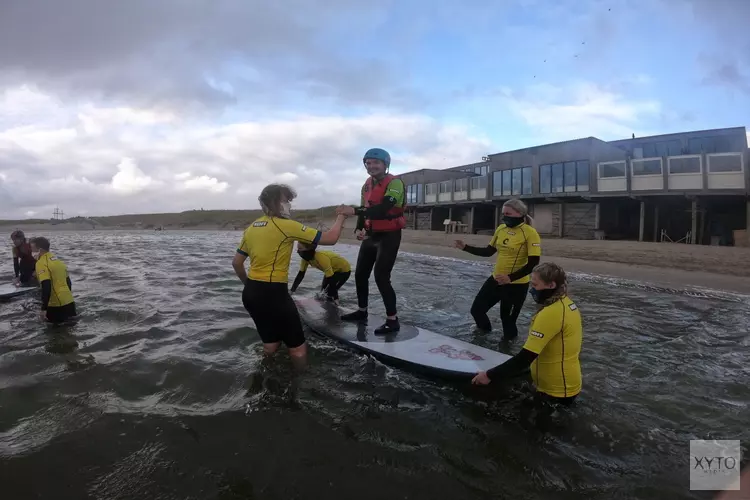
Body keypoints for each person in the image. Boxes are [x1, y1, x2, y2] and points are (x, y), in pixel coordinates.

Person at [232, 183, 350, 366]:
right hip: (274, 294)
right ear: (274, 202)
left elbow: (237, 263)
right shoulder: (286, 226)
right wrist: (342, 216)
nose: (289, 205)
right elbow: (331, 238)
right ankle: (297, 388)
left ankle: (265, 382)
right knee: (297, 349)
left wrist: (249, 285)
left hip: (251, 294)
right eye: (286, 200)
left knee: (270, 345)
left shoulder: (252, 227)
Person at [471, 262, 583, 409]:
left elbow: (526, 357)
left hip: (556, 390)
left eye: (535, 285)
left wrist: (488, 375)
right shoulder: (566, 304)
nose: (531, 290)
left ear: (551, 285)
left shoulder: (551, 313)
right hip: (564, 384)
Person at [336, 147, 406, 335]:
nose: (371, 166)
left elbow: (384, 208)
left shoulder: (395, 183)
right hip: (372, 234)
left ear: (385, 164)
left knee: (381, 277)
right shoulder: (366, 184)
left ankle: (392, 320)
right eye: (368, 163)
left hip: (390, 235)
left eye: (375, 163)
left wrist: (355, 212)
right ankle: (362, 311)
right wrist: (360, 227)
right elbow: (365, 207)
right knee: (360, 274)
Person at [455, 199, 541, 340]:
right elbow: (489, 251)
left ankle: (507, 352)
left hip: (516, 285)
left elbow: (533, 263)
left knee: (507, 321)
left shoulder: (530, 233)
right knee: (477, 310)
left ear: (520, 214)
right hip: (496, 280)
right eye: (503, 213)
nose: (504, 216)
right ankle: (483, 339)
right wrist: (465, 247)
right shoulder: (501, 229)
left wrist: (510, 278)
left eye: (508, 213)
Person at [29, 236, 77, 324]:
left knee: (54, 334)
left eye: (32, 249)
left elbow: (46, 285)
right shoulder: (58, 261)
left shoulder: (41, 263)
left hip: (56, 305)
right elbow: (68, 283)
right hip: (69, 302)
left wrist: (44, 309)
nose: (31, 252)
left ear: (40, 250)